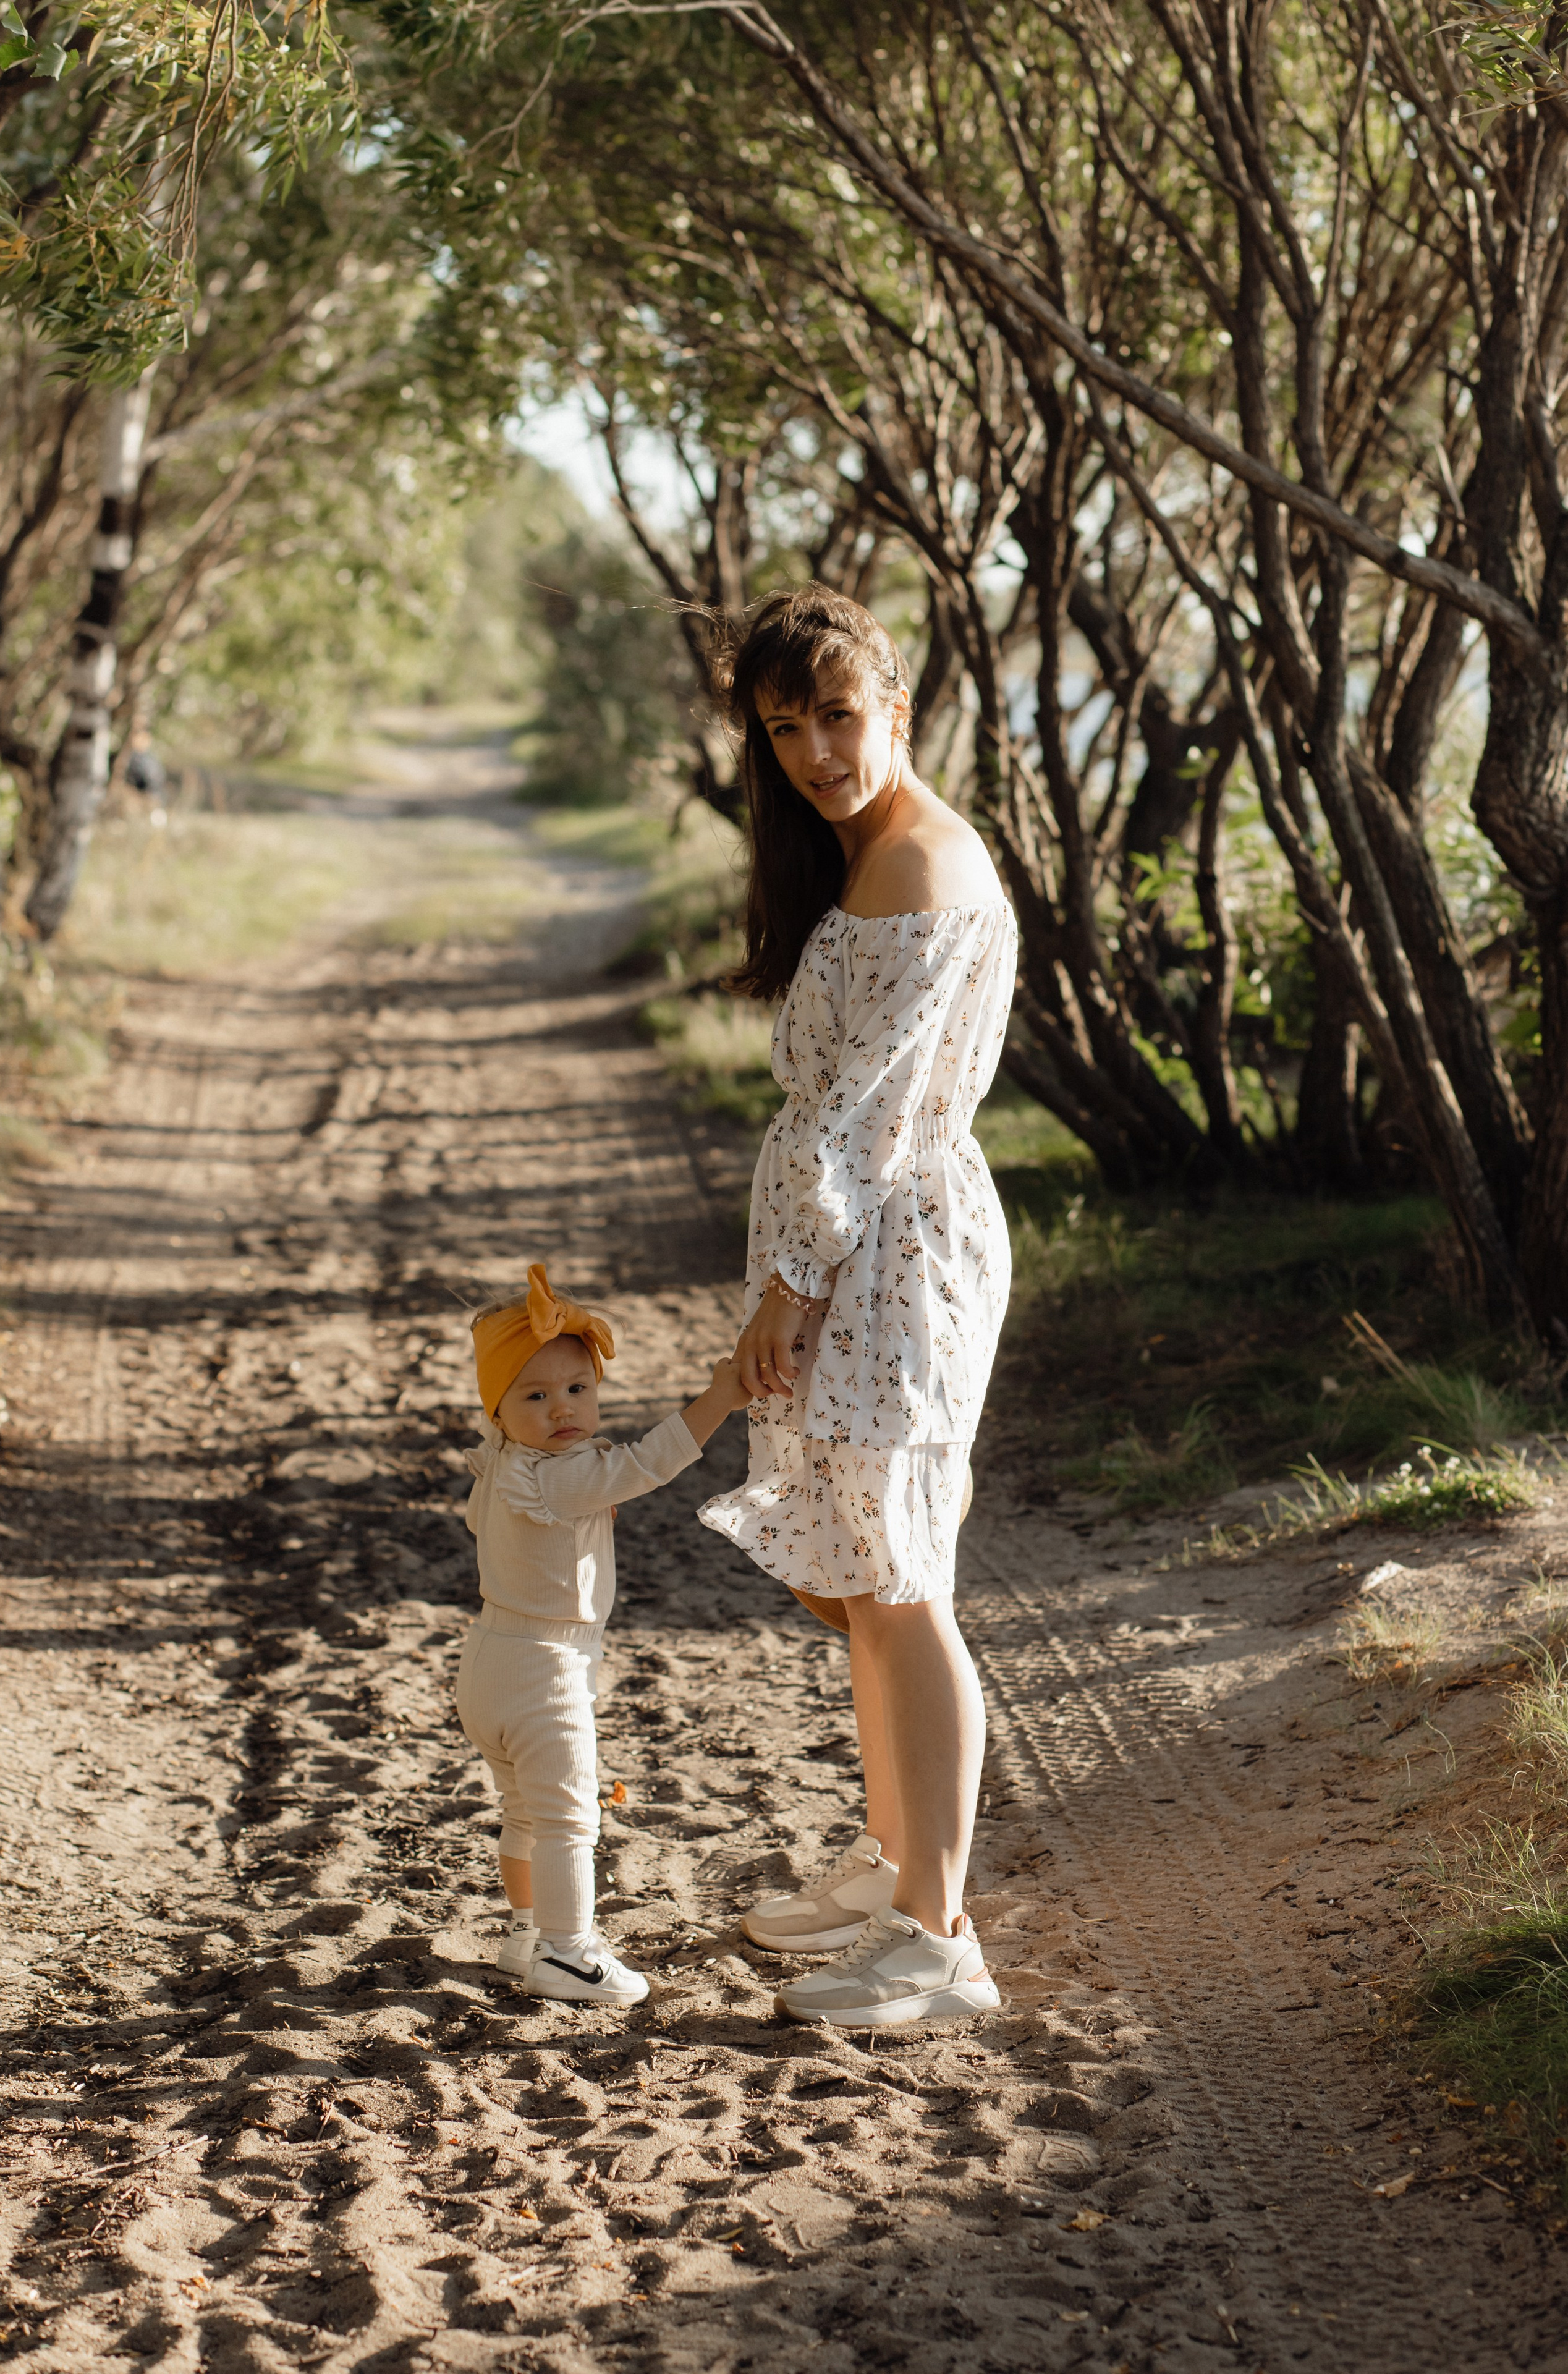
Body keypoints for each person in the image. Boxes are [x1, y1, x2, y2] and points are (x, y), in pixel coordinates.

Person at [698, 585, 1017, 2030]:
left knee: (899, 1578)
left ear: (895, 705)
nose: (815, 751)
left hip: (888, 1251)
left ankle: (936, 1936)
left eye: (836, 714)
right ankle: (895, 1862)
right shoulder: (867, 852)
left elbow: (868, 1119)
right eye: (784, 727)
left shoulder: (919, 864)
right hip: (859, 1245)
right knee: (858, 1577)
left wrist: (789, 1283)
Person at [457, 1263, 750, 2006]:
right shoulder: (563, 1475)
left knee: (523, 1811)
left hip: (487, 1661)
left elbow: (480, 1524)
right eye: (535, 1395)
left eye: (577, 1388)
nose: (562, 1408)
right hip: (545, 1670)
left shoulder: (502, 1465)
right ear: (499, 1408)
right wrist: (720, 1397)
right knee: (569, 1817)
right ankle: (567, 1951)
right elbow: (650, 1461)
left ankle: (526, 1932)